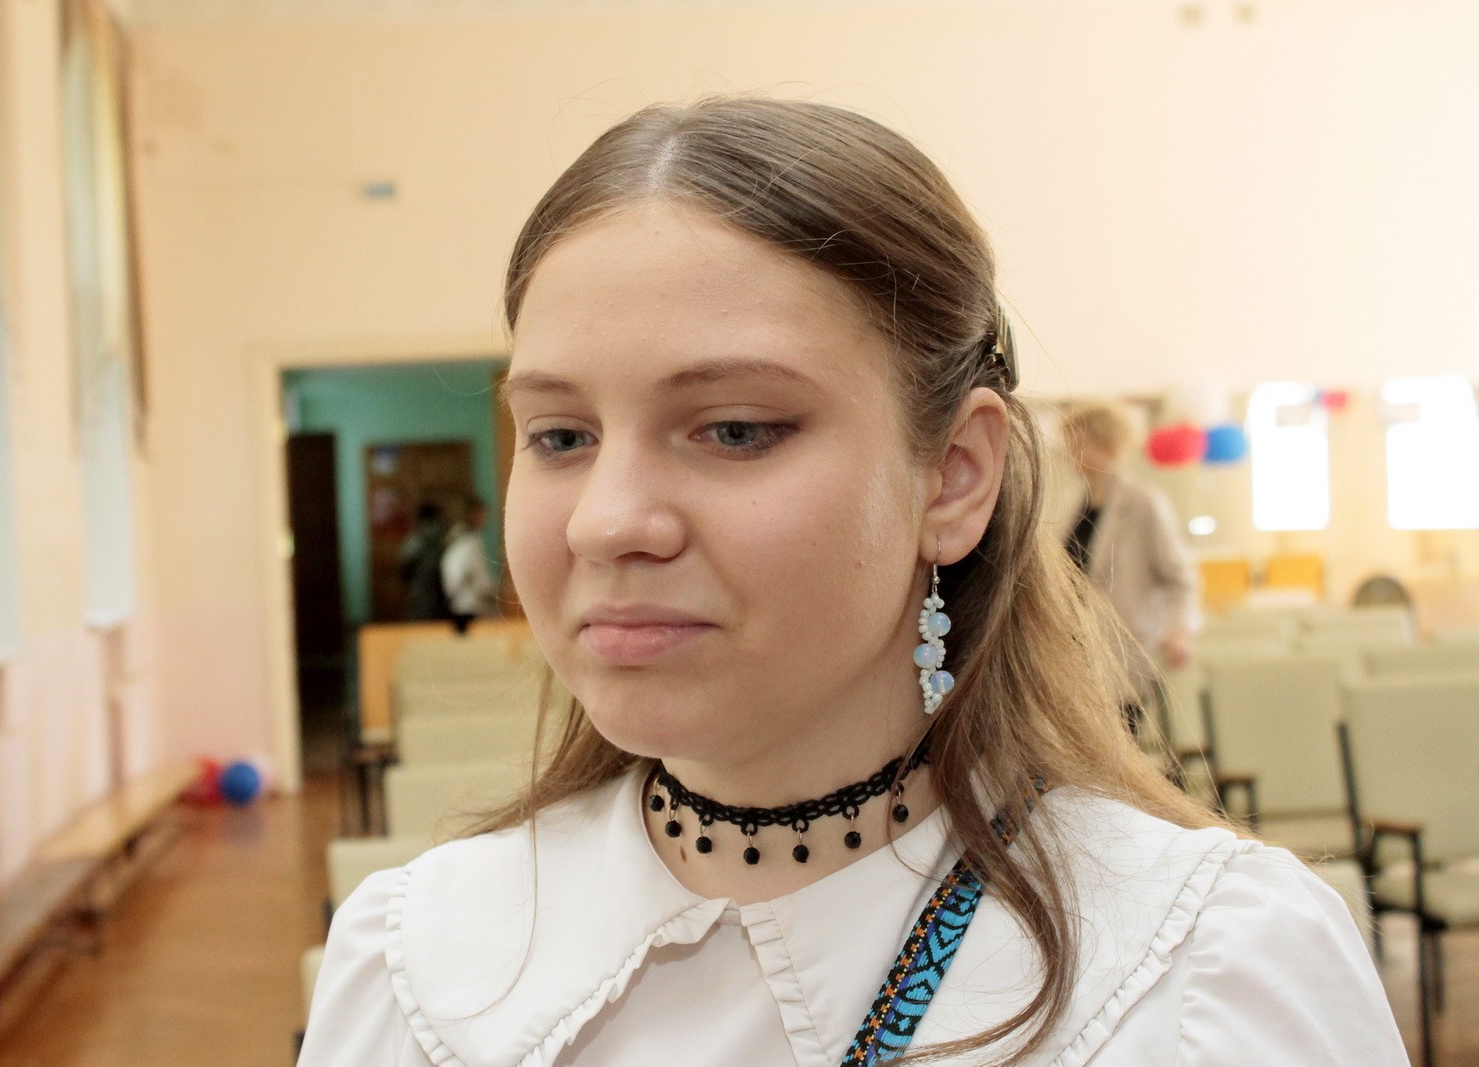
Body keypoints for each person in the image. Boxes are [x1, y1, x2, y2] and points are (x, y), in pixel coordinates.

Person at [300, 96, 1406, 1065]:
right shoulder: (416, 958)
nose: (605, 521)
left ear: (953, 476)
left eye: (735, 428)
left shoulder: (1198, 971)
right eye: (558, 435)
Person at [1060, 403, 1199, 736]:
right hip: (1076, 646)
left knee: (1119, 742)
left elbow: (1178, 579)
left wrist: (1178, 630)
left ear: (1108, 445)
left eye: (1080, 444)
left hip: (1125, 645)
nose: (1071, 454)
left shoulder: (1143, 503)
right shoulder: (1072, 504)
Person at [440, 495, 499, 634]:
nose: (485, 518)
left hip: (460, 604)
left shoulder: (457, 538)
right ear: (471, 515)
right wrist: (495, 593)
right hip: (471, 607)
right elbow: (480, 581)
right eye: (481, 514)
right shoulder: (468, 543)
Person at [395, 502, 450, 621]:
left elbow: (404, 570)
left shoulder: (414, 541)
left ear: (419, 519)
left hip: (419, 596)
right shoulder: (447, 539)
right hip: (444, 599)